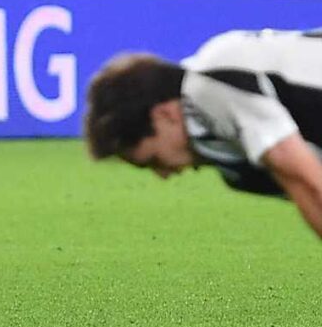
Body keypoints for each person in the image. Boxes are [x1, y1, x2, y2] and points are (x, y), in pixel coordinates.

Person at [84, 30, 322, 239]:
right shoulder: (237, 172)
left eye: (153, 161)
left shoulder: (206, 82)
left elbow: (306, 180)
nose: (162, 175)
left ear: (164, 115)